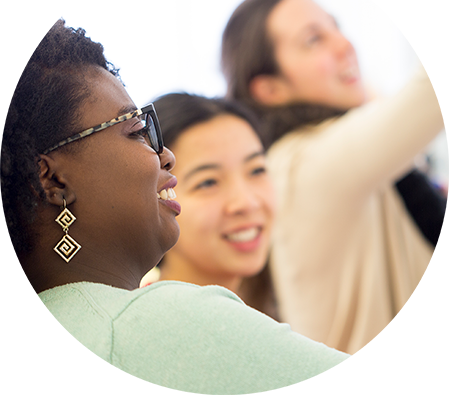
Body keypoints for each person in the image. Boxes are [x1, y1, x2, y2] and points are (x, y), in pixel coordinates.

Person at [0, 20, 351, 393]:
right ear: (52, 180)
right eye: (137, 130)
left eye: (257, 169)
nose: (165, 155)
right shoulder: (162, 323)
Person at [221, 0, 449, 395]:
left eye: (336, 28)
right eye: (314, 39)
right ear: (270, 88)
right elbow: (436, 90)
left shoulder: (343, 155)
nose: (345, 45)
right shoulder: (301, 164)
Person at [141, 93, 278, 319]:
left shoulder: (260, 313)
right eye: (208, 182)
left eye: (257, 170)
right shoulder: (155, 326)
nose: (247, 203)